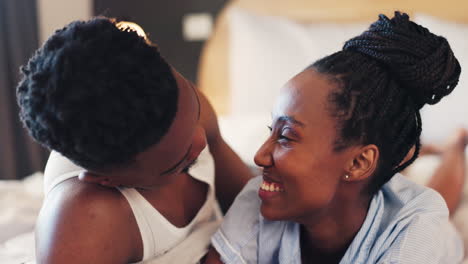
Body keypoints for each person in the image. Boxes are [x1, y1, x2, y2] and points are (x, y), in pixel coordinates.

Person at [205, 12, 464, 263]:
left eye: (285, 136)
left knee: (437, 198)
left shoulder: (418, 224)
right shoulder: (262, 195)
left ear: (358, 162)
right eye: (270, 130)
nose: (259, 156)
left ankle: (457, 144)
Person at [16, 18, 252, 263]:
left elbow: (249, 205)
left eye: (195, 116)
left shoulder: (179, 103)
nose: (201, 141)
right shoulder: (85, 225)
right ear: (107, 179)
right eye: (181, 162)